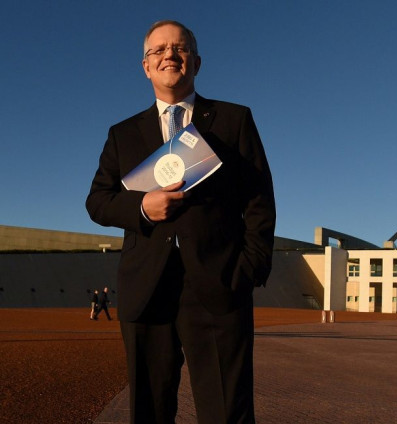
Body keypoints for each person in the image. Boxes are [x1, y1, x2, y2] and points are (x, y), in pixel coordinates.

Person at [86, 20, 276, 423]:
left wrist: (249, 268)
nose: (169, 55)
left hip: (220, 286)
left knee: (227, 412)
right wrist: (142, 208)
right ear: (146, 66)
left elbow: (259, 199)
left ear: (196, 61)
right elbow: (98, 202)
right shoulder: (122, 134)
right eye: (159, 50)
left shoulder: (232, 119)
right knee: (149, 412)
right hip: (146, 289)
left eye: (180, 48)